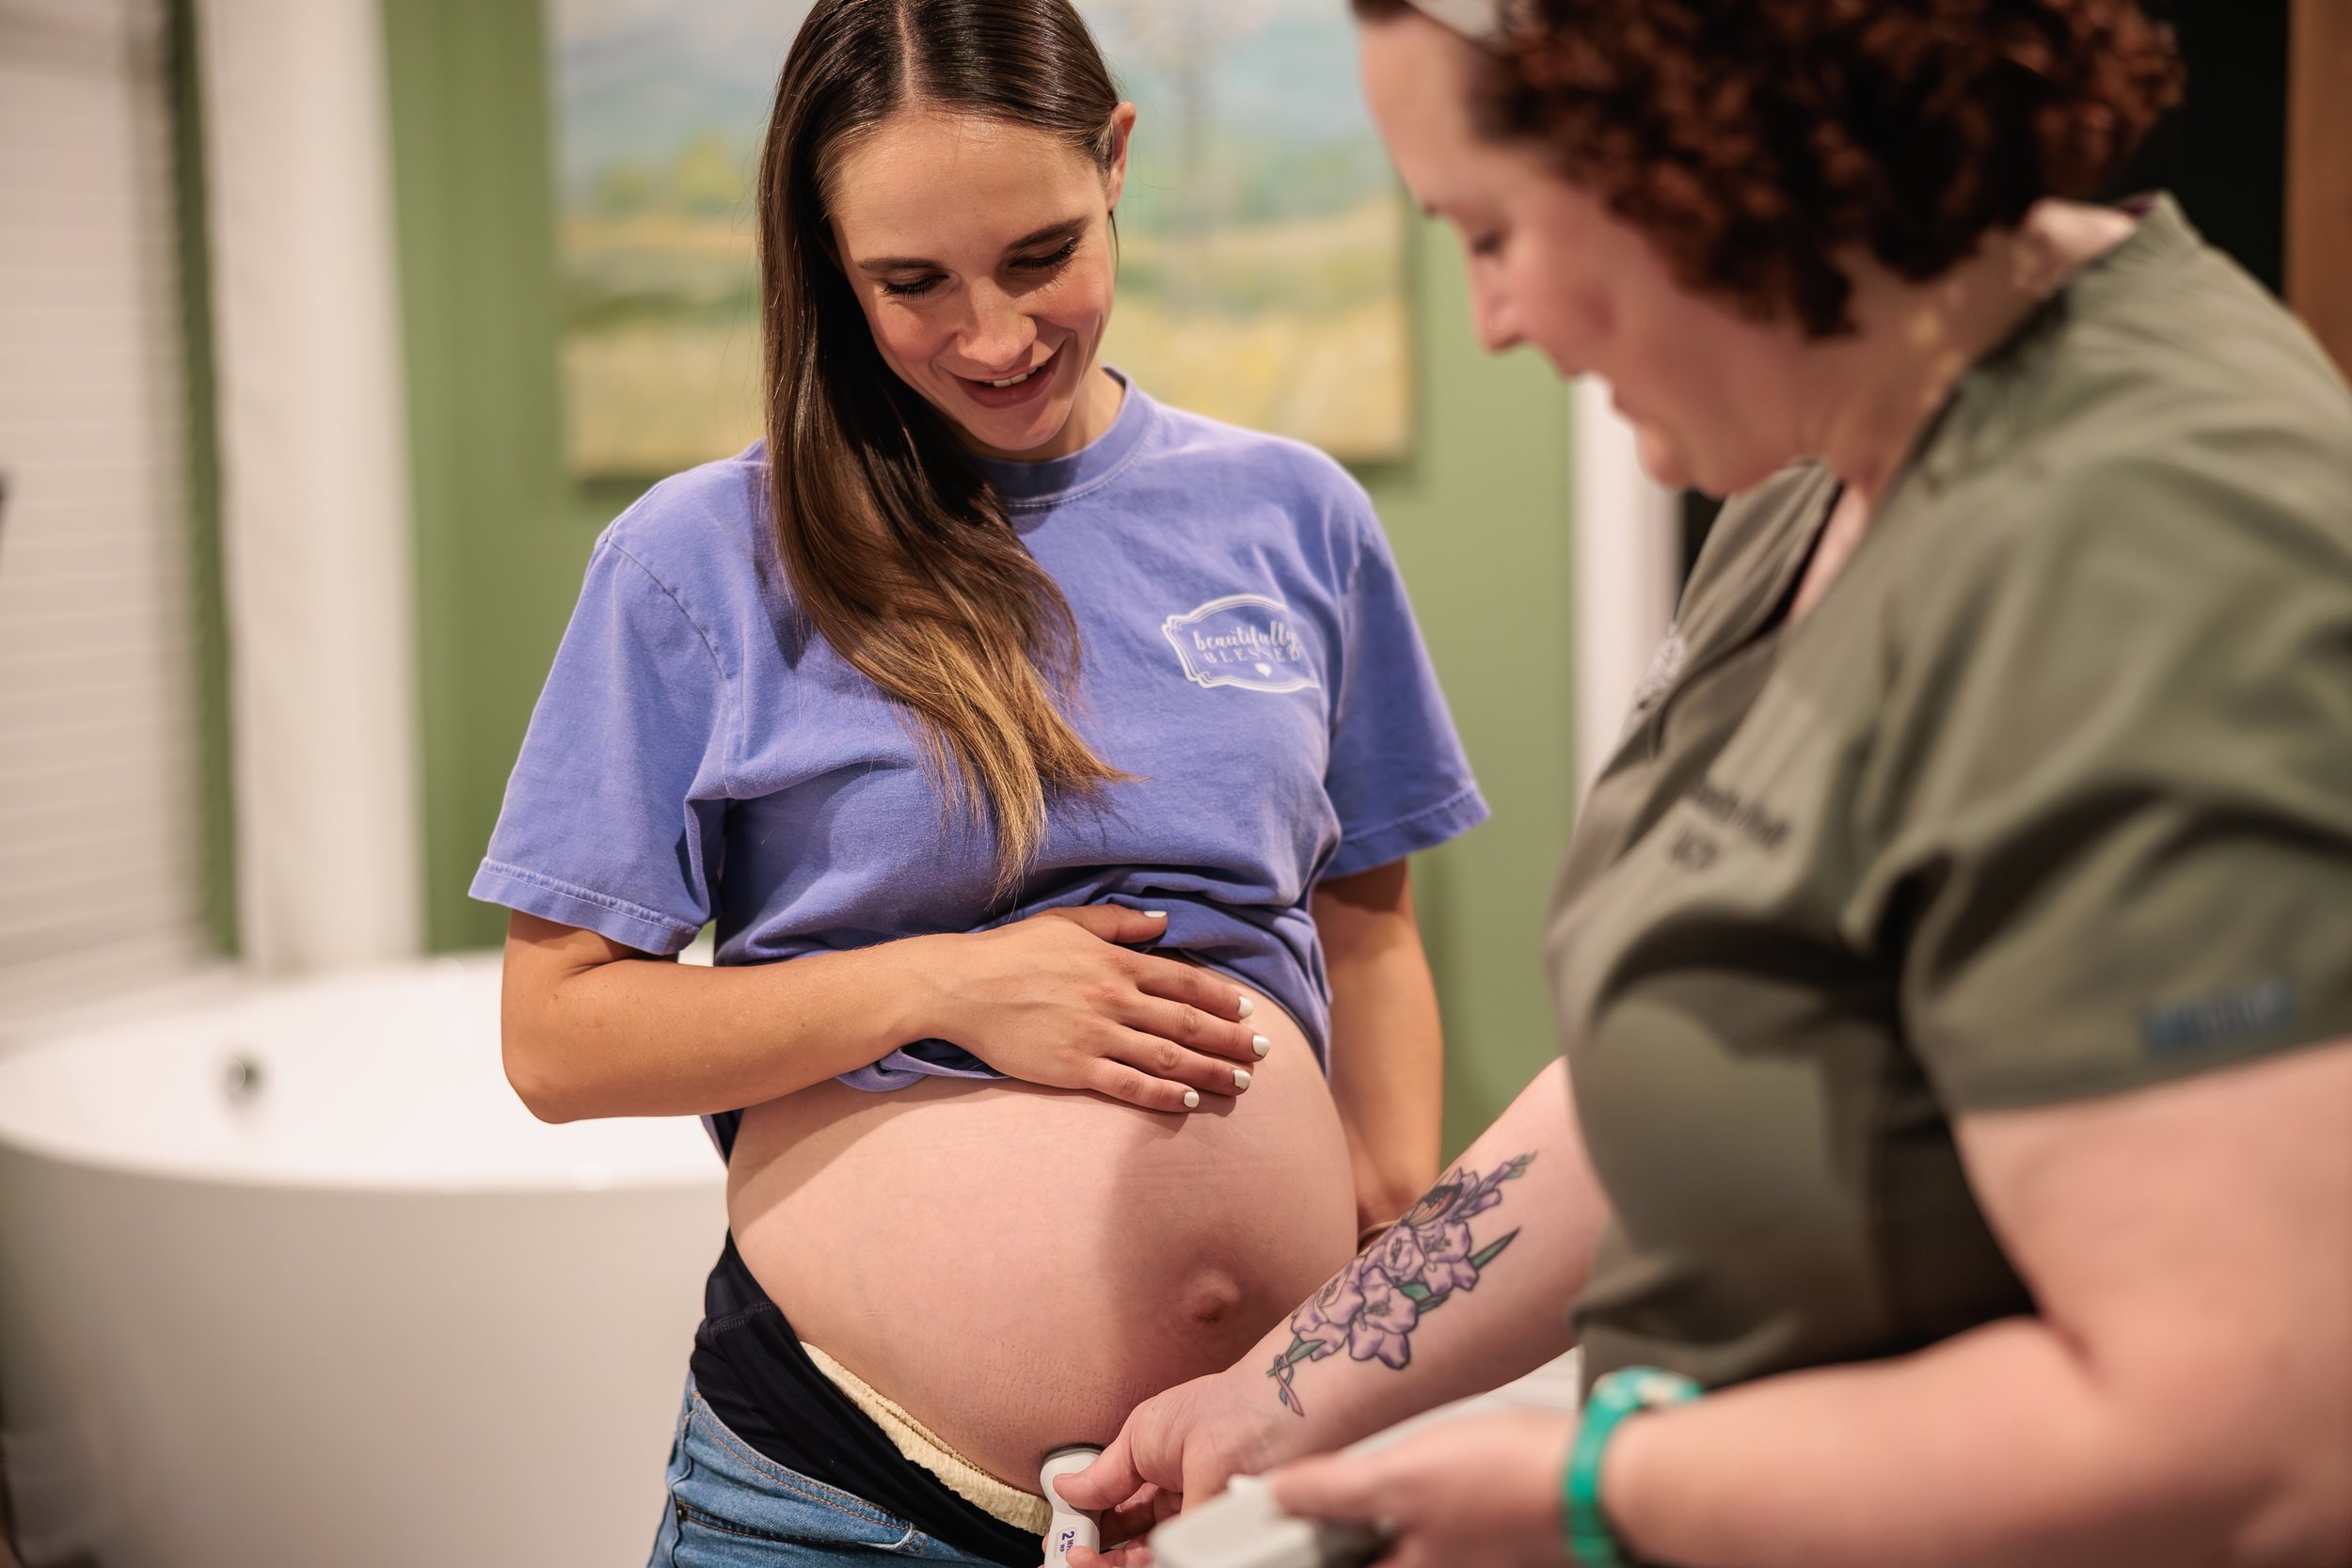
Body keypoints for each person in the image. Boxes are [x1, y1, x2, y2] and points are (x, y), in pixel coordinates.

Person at [1060, 2, 2352, 1565]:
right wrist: (1275, 1401)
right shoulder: (1826, 454)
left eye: (1492, 233)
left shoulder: (2146, 538)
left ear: (1693, 148)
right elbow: (1672, 1066)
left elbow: (2249, 1436)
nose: (1496, 320)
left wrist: (1597, 1497)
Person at [468, 2, 1488, 1563]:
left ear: (1118, 161)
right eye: (910, 283)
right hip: (840, 1500)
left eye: (1039, 255)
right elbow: (557, 1038)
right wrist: (949, 986)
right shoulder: (695, 562)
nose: (996, 337)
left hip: (1245, 1494)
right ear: (825, 258)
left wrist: (1359, 1251)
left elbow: (1371, 919)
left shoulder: (1299, 517)